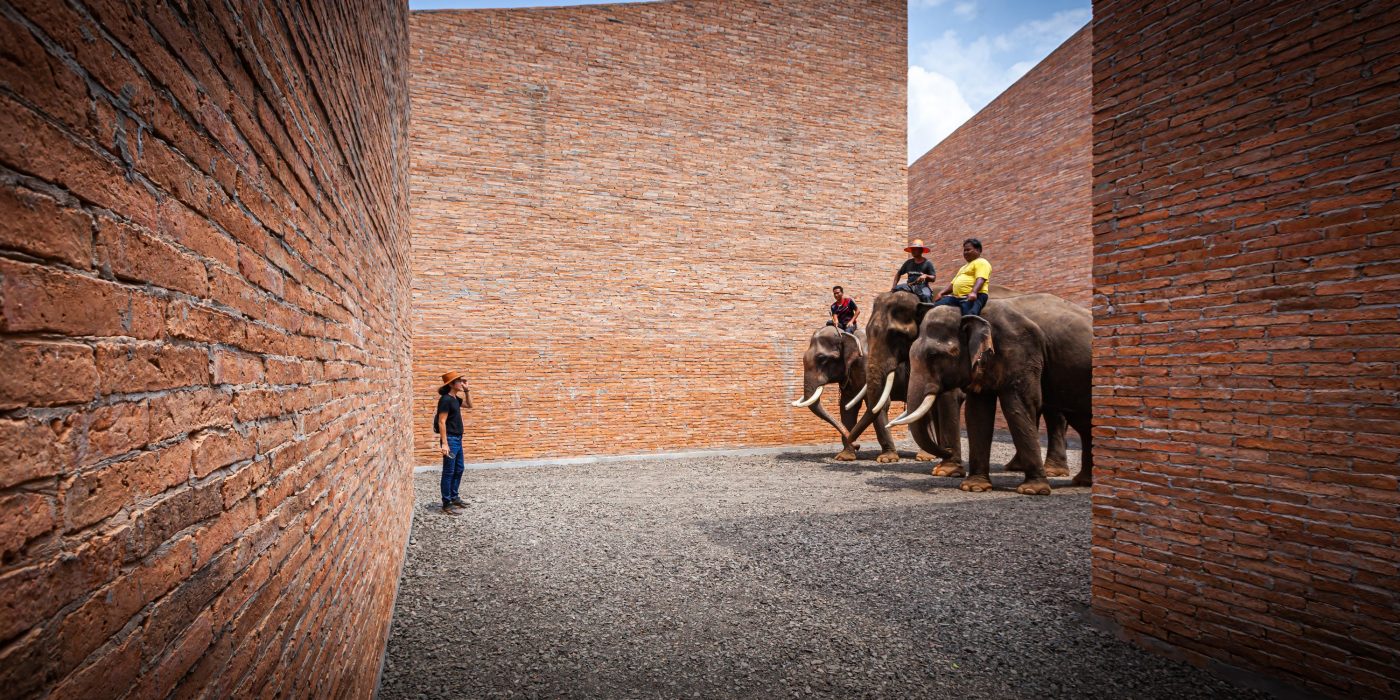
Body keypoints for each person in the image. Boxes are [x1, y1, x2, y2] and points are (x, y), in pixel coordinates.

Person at [436, 371, 473, 514]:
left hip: (458, 438)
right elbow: (441, 421)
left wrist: (467, 390)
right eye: (459, 381)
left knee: (459, 469)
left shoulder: (455, 399)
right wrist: (444, 444)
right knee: (449, 471)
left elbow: (469, 405)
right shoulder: (445, 400)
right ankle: (446, 503)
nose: (461, 382)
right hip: (450, 439)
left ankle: (454, 497)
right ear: (451, 384)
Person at [934, 238, 992, 316]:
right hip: (958, 297)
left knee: (968, 317)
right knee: (936, 306)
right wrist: (941, 293)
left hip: (976, 295)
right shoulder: (963, 267)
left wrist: (974, 292)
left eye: (968, 250)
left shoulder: (981, 262)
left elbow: (981, 279)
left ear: (978, 250)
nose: (965, 252)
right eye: (964, 250)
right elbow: (952, 284)